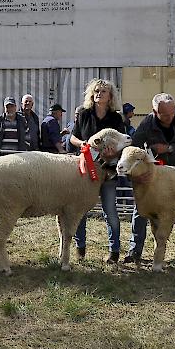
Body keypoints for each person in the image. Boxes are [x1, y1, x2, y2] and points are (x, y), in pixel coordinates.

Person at [123, 93, 175, 270]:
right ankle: (134, 250)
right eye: (165, 115)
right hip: (155, 168)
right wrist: (136, 174)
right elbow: (134, 149)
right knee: (141, 207)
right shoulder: (146, 124)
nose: (170, 117)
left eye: (172, 112)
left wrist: (168, 148)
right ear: (155, 112)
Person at [70, 78, 126, 264]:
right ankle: (80, 248)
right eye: (96, 91)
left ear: (110, 96)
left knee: (110, 211)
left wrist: (114, 152)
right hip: (87, 169)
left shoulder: (116, 118)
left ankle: (114, 250)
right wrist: (83, 144)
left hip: (108, 169)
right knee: (81, 210)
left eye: (103, 91)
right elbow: (73, 138)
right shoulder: (84, 114)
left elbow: (122, 143)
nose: (98, 94)